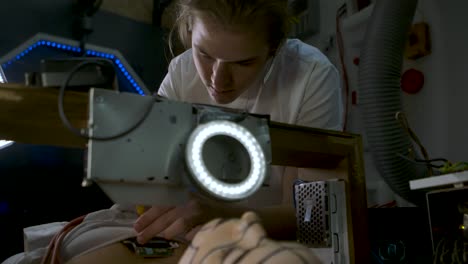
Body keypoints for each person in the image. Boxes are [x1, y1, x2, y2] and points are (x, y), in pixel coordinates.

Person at [134, 0, 343, 246]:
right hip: (183, 238)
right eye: (205, 54)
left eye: (243, 63)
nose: (218, 81)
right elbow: (148, 180)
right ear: (189, 29)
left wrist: (228, 217)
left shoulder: (310, 79)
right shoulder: (182, 72)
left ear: (274, 48)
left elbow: (312, 217)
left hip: (267, 246)